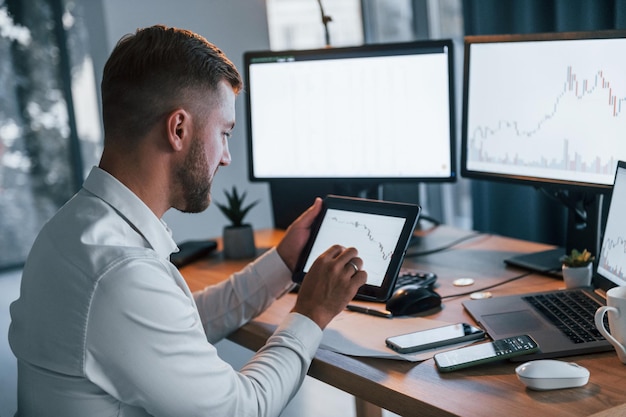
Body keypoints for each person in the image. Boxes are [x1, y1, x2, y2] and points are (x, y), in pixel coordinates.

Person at [8, 25, 367, 417]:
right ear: (178, 129)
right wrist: (312, 313)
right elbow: (242, 409)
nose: (226, 157)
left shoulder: (75, 229)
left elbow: (175, 325)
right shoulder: (120, 274)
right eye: (224, 133)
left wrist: (283, 262)